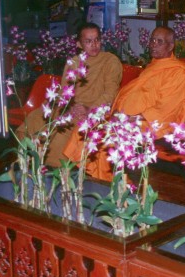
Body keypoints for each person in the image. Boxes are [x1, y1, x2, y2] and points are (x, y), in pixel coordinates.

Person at [63, 26, 185, 181]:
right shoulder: (154, 66)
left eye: (159, 41)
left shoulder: (180, 72)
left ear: (170, 46)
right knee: (84, 131)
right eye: (152, 40)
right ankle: (88, 181)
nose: (153, 44)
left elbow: (167, 109)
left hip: (149, 124)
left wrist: (136, 118)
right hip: (125, 119)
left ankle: (110, 187)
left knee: (102, 141)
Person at [16, 22, 122, 168]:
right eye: (89, 41)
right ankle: (26, 162)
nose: (94, 45)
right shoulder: (74, 62)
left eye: (97, 40)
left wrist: (89, 108)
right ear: (79, 44)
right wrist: (69, 107)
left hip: (96, 111)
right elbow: (65, 92)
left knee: (60, 133)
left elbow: (110, 93)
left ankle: (56, 170)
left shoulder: (110, 61)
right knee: (34, 118)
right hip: (73, 108)